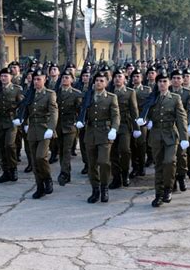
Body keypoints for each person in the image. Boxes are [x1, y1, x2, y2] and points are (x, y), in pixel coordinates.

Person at [139, 71, 188, 207]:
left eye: (165, 81)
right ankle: (159, 194)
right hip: (156, 135)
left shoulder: (175, 98)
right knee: (159, 165)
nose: (162, 84)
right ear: (157, 83)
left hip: (171, 135)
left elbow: (181, 118)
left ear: (170, 83)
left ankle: (168, 187)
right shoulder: (152, 97)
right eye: (160, 81)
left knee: (170, 162)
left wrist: (184, 137)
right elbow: (146, 112)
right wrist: (145, 120)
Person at [77, 71, 120, 204]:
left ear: (106, 83)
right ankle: (95, 189)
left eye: (102, 81)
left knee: (104, 162)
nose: (98, 83)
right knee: (92, 164)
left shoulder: (111, 97)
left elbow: (115, 116)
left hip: (104, 133)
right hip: (90, 133)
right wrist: (80, 120)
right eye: (96, 80)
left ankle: (104, 187)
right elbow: (82, 110)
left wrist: (114, 129)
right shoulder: (88, 96)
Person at [15, 69, 58, 199]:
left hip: (44, 129)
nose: (36, 81)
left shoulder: (50, 94)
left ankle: (47, 178)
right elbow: (25, 109)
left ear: (45, 80)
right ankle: (40, 186)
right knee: (34, 161)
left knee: (41, 157)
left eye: (39, 79)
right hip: (32, 130)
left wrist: (51, 128)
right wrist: (23, 120)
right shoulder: (30, 94)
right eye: (34, 79)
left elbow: (54, 112)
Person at [109, 68, 139, 189]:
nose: (117, 79)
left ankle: (125, 173)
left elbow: (134, 110)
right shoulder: (109, 91)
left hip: (124, 125)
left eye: (120, 76)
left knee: (125, 150)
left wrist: (136, 127)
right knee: (113, 152)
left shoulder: (130, 92)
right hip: (110, 126)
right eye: (115, 76)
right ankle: (116, 177)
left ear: (125, 79)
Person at [0, 67, 23, 183]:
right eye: (1, 76)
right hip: (0, 121)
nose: (3, 78)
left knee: (9, 145)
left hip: (12, 121)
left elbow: (22, 105)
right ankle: (5, 171)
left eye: (6, 76)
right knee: (0, 146)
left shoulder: (17, 89)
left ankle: (13, 168)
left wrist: (20, 118)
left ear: (11, 77)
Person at [169, 69, 190, 191]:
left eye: (179, 78)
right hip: (169, 126)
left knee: (182, 153)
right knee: (170, 155)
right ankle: (172, 179)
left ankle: (181, 176)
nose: (176, 80)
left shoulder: (187, 93)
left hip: (182, 126)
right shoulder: (165, 92)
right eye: (174, 78)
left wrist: (189, 124)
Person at [56, 69, 82, 186]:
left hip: (70, 125)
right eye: (63, 78)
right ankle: (67, 171)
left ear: (72, 80)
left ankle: (64, 173)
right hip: (58, 125)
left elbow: (80, 110)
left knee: (66, 150)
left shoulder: (76, 93)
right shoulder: (56, 92)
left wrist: (78, 121)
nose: (64, 79)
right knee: (61, 150)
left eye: (67, 78)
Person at [129, 68, 152, 178]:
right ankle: (135, 167)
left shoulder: (147, 90)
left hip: (142, 120)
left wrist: (149, 119)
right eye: (133, 76)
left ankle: (142, 166)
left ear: (142, 78)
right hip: (130, 120)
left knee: (141, 144)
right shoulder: (128, 90)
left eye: (137, 76)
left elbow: (150, 106)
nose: (135, 78)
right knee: (132, 145)